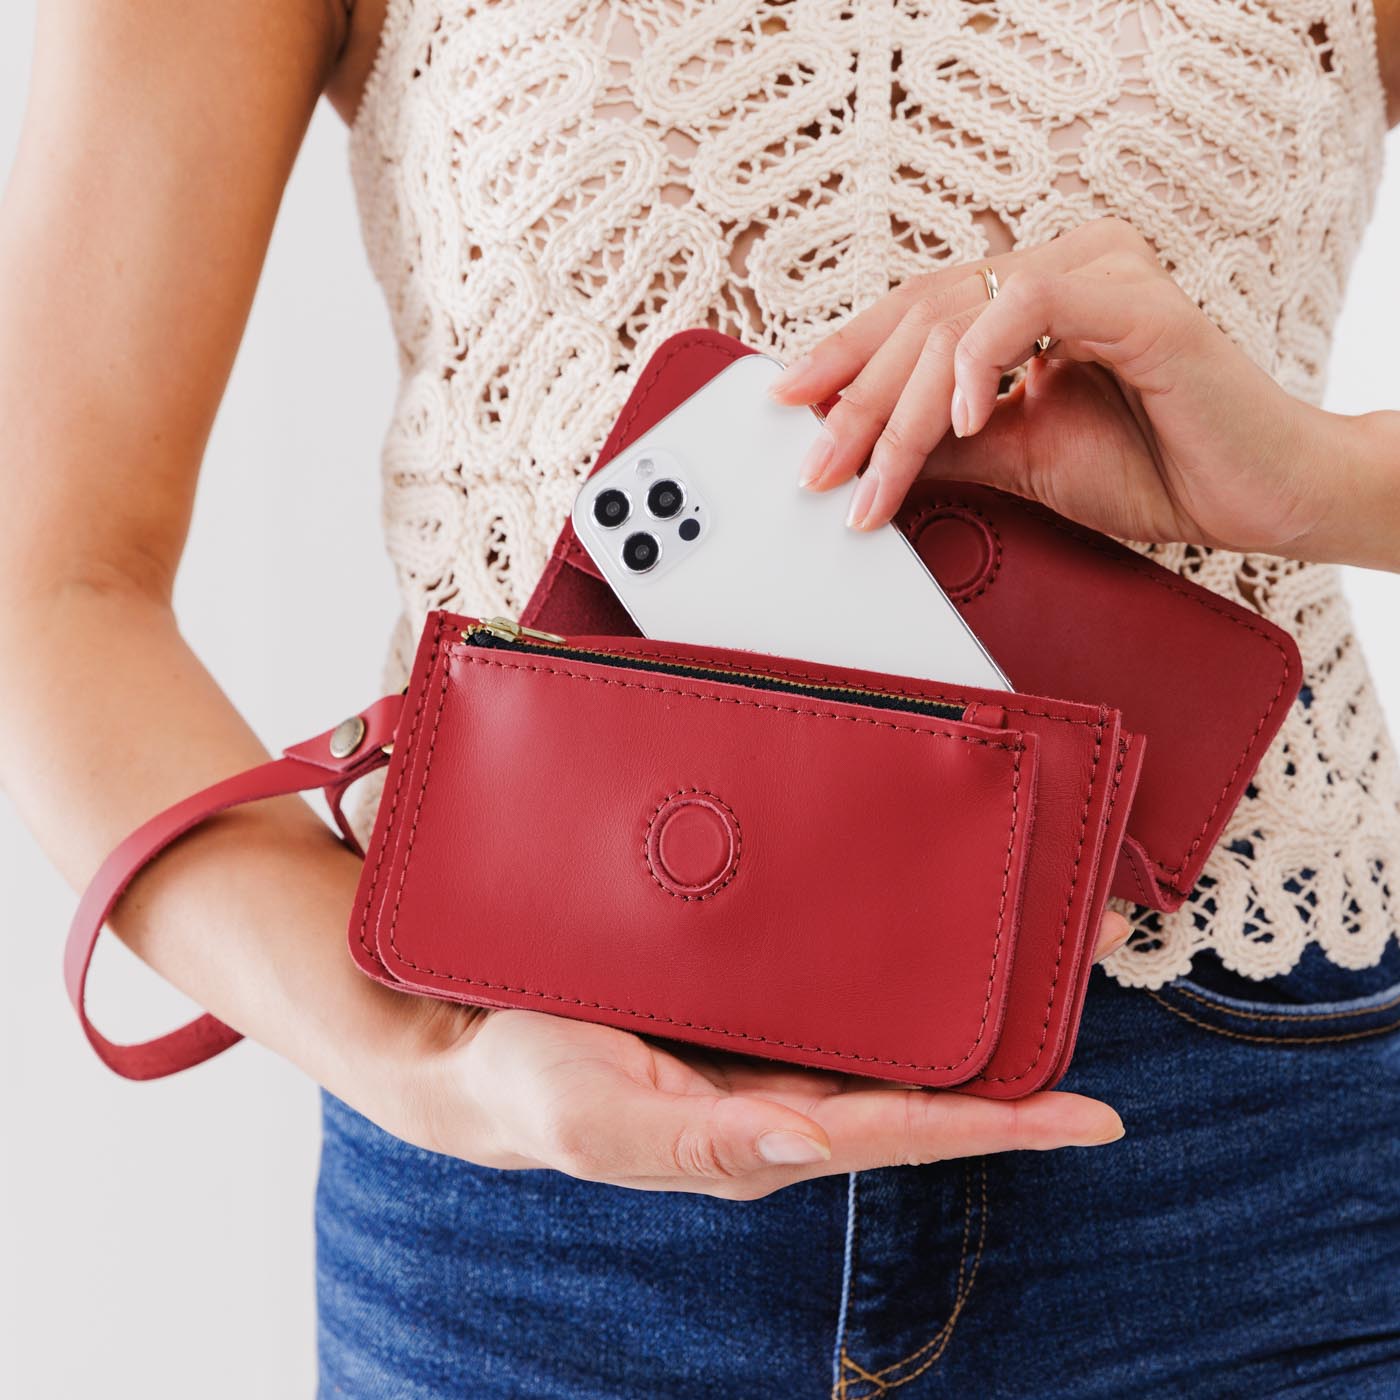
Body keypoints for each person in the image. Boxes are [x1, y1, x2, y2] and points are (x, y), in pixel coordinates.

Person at [2, 2, 1398, 1395]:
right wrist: (425, 1050)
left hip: (1241, 1145)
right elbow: (53, 584)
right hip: (530, 1152)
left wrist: (1309, 480)